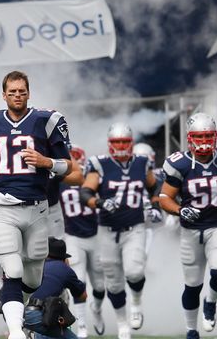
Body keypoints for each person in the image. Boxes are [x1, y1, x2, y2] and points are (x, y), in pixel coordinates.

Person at [0, 70, 73, 339]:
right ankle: (15, 331)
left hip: (38, 206)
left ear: (29, 92)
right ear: (3, 94)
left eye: (22, 91)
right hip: (3, 206)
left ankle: (11, 301)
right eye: (12, 91)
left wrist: (45, 162)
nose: (17, 95)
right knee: (12, 269)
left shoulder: (47, 120)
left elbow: (68, 165)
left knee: (33, 277)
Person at [158, 113, 217, 339]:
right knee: (192, 285)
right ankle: (191, 329)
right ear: (190, 138)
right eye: (199, 137)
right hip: (190, 231)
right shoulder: (178, 163)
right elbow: (163, 197)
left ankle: (211, 302)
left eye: (208, 136)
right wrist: (180, 209)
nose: (204, 141)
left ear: (216, 136)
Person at [79, 123, 160, 339]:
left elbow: (155, 186)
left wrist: (155, 205)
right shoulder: (100, 164)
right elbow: (85, 192)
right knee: (113, 283)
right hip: (107, 230)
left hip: (135, 227)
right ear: (110, 144)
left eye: (125, 141)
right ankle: (122, 324)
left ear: (131, 143)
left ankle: (136, 302)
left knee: (134, 271)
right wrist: (99, 203)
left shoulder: (142, 163)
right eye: (117, 142)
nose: (121, 146)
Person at [59, 145, 105, 338]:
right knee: (79, 282)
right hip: (72, 236)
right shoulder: (59, 181)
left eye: (77, 157)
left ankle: (97, 309)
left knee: (100, 286)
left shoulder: (93, 179)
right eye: (72, 158)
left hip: (95, 235)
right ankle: (82, 325)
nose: (75, 162)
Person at [23, 237, 87, 339]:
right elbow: (82, 297)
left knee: (46, 328)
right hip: (35, 314)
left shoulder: (34, 263)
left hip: (15, 310)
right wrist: (67, 269)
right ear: (64, 257)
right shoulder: (64, 269)